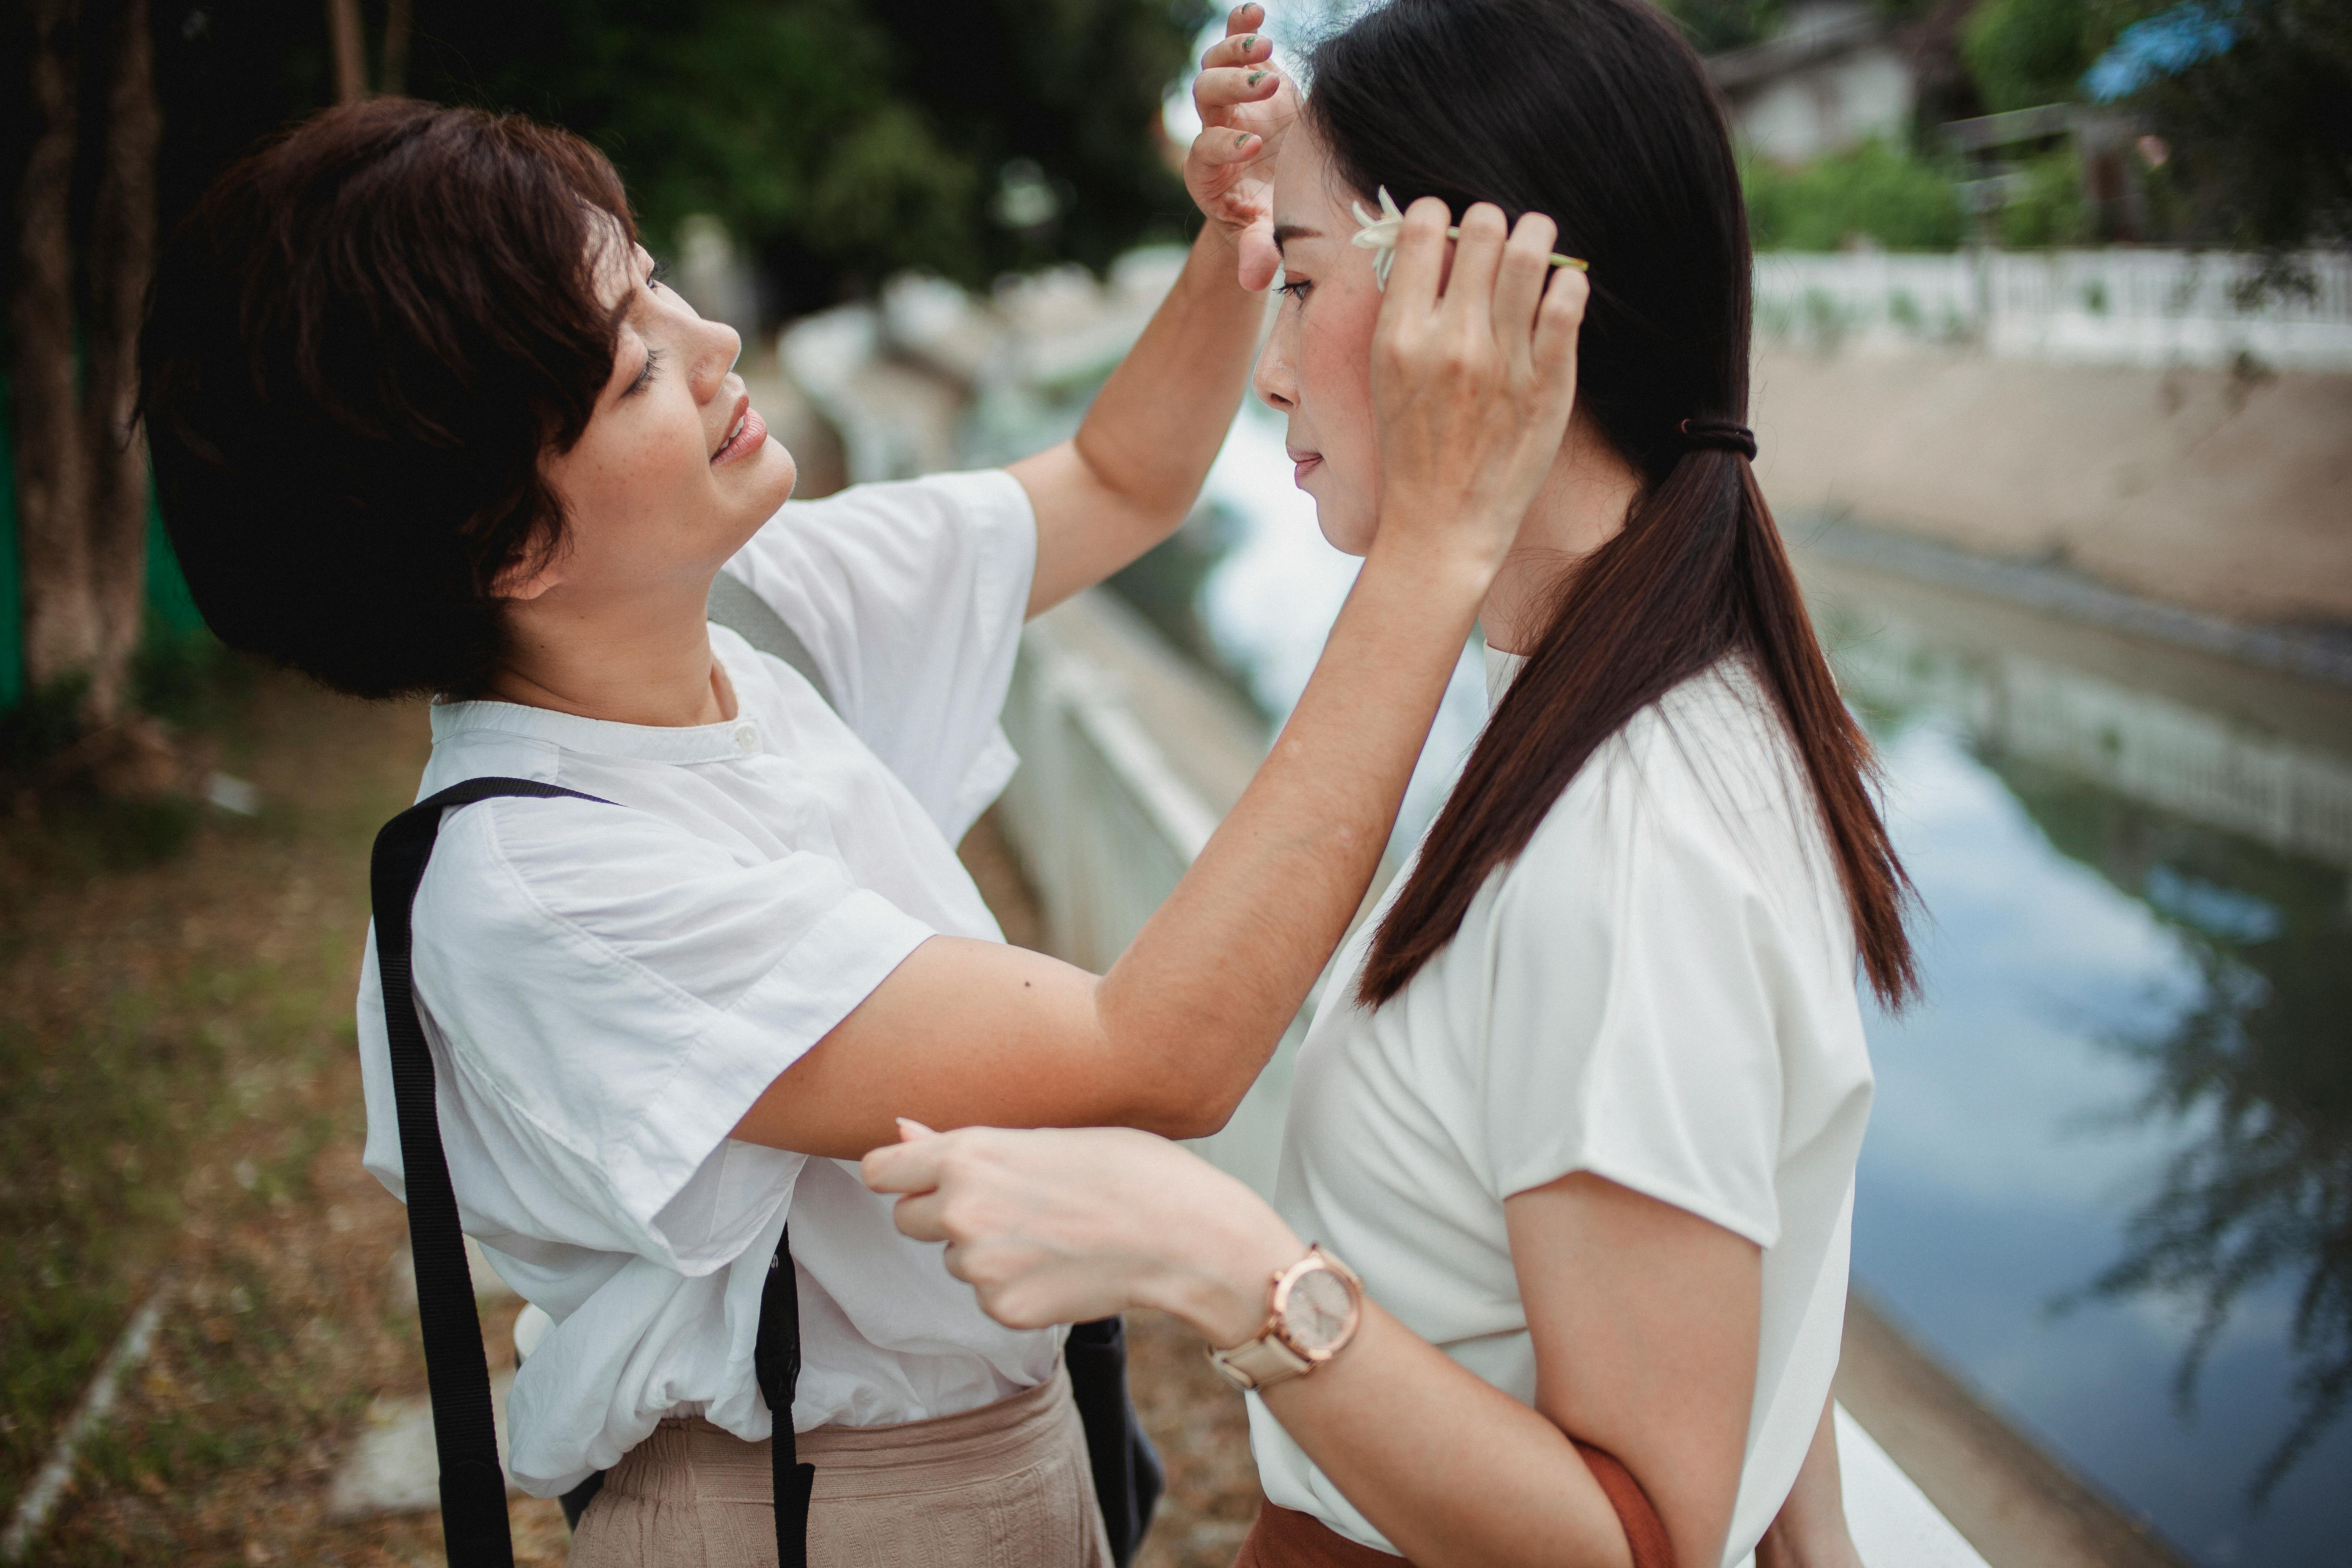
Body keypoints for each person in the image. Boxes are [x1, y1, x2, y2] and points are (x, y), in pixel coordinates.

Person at [134, 6, 1591, 1563]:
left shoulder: (758, 609)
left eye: (655, 283)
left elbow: (1119, 481)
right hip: (813, 1514)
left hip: (1004, 1461)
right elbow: (1158, 1052)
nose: (716, 346)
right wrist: (1438, 544)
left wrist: (1233, 237)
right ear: (512, 545)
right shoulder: (541, 894)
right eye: (636, 367)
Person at [860, 2, 1916, 1566]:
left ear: (1464, 293)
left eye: (1296, 282)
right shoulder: (1642, 690)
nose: (1273, 374)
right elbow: (1753, 1261)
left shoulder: (1628, 837)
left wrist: (1221, 1259)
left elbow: (1643, 1540)